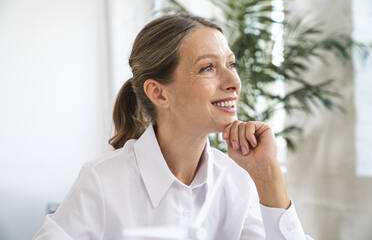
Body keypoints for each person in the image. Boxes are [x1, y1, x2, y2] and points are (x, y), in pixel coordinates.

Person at [33, 14, 313, 240]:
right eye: (208, 68)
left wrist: (268, 176)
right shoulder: (102, 182)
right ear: (158, 93)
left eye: (231, 64)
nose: (233, 82)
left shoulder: (236, 182)